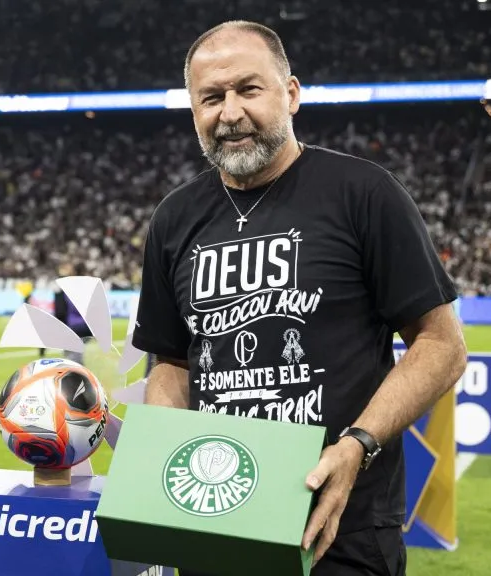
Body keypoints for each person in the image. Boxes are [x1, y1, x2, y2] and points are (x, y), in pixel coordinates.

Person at [131, 20, 467, 576]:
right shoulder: (173, 218)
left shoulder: (364, 193)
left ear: (290, 93)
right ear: (193, 111)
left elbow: (442, 345)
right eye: (211, 98)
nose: (230, 112)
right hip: (220, 520)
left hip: (341, 526)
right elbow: (171, 361)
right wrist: (168, 460)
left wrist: (357, 446)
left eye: (248, 89)